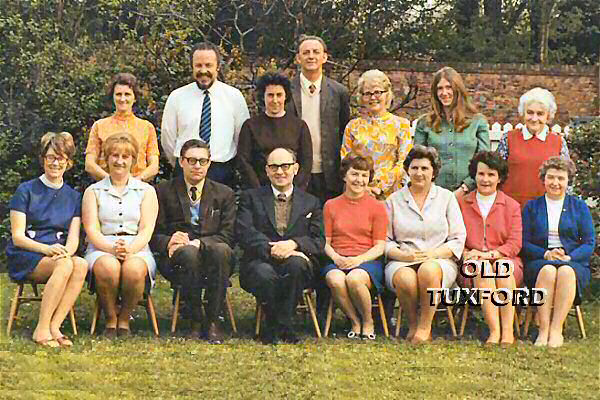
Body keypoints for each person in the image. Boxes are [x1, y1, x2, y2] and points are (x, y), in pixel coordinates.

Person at [6, 132, 87, 347]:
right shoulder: (25, 190)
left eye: (61, 158)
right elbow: (18, 237)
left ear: (68, 163)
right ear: (43, 159)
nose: (55, 162)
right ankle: (41, 330)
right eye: (51, 157)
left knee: (80, 264)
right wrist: (47, 249)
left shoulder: (74, 197)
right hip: (28, 253)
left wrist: (66, 252)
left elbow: (73, 239)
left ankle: (55, 326)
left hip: (58, 254)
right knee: (64, 264)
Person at [150, 140, 235, 343]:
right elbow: (153, 233)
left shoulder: (224, 193)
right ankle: (194, 321)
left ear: (209, 163)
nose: (197, 166)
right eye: (192, 160)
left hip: (215, 257)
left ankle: (213, 321)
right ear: (181, 162)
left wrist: (200, 243)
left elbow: (228, 234)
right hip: (177, 259)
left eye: (202, 161)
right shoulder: (163, 191)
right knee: (188, 254)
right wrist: (170, 240)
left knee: (220, 250)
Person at [237, 147, 324, 344]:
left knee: (297, 266)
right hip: (259, 259)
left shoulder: (311, 202)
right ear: (266, 171)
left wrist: (293, 245)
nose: (280, 171)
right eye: (274, 167)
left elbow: (318, 240)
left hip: (296, 261)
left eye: (285, 166)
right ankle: (282, 326)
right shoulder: (251, 197)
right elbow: (245, 232)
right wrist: (273, 250)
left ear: (296, 169)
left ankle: (276, 326)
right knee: (264, 274)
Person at [384, 145, 466, 344]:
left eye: (424, 168)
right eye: (415, 168)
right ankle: (412, 324)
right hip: (402, 259)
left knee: (428, 271)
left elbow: (458, 238)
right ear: (407, 170)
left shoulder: (446, 198)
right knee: (405, 278)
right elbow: (384, 240)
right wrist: (401, 255)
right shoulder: (394, 200)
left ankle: (424, 326)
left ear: (434, 172)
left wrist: (434, 254)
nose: (419, 173)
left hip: (439, 261)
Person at [82, 132, 158, 337]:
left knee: (134, 269)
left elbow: (147, 229)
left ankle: (124, 318)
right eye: (114, 156)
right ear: (106, 159)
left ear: (133, 160)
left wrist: (131, 249)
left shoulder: (146, 191)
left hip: (137, 245)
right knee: (107, 266)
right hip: (101, 245)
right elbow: (91, 229)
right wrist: (111, 249)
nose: (119, 161)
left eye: (125, 157)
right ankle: (110, 318)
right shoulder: (93, 191)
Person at [522, 157, 595, 348]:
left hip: (573, 263)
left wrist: (569, 257)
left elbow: (589, 243)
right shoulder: (532, 207)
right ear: (543, 179)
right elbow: (523, 242)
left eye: (560, 178)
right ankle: (543, 329)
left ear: (568, 181)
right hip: (539, 261)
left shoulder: (579, 207)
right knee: (547, 270)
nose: (555, 183)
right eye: (551, 178)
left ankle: (556, 329)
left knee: (565, 271)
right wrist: (545, 254)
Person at [457, 151, 522, 346]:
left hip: (505, 261)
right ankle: (494, 332)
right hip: (472, 265)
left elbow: (515, 242)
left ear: (499, 177)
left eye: (491, 174)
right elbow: (454, 237)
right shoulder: (461, 203)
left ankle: (508, 332)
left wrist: (490, 254)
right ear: (474, 175)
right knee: (482, 269)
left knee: (502, 268)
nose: (485, 179)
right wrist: (466, 254)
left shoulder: (511, 205)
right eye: (481, 174)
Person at [161, 41, 250, 185]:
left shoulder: (234, 97)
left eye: (208, 65)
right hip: (185, 169)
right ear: (192, 67)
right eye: (198, 65)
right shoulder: (177, 97)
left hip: (221, 171)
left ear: (218, 67)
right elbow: (168, 137)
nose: (203, 70)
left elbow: (242, 137)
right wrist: (184, 162)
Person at [323, 154, 388, 339]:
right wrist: (336, 258)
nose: (359, 180)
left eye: (364, 175)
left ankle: (368, 320)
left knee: (354, 279)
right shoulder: (330, 205)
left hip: (367, 260)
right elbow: (325, 242)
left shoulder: (377, 207)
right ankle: (354, 320)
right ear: (344, 176)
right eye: (354, 174)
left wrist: (358, 260)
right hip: (338, 259)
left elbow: (380, 246)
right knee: (335, 279)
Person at [286, 34, 351, 203]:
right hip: (296, 172)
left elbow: (344, 130)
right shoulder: (285, 91)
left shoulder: (339, 92)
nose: (311, 56)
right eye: (306, 52)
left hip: (329, 173)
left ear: (325, 57)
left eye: (316, 52)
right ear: (298, 58)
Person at [414, 66, 489, 197]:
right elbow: (418, 161)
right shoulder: (424, 123)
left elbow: (484, 161)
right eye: (440, 88)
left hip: (470, 194)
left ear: (458, 89)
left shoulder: (477, 122)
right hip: (433, 194)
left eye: (449, 87)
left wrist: (465, 187)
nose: (444, 92)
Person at [340, 69, 413, 199]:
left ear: (387, 94)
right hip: (358, 191)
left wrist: (380, 187)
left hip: (392, 195)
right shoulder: (352, 127)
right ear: (361, 97)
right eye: (367, 93)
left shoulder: (402, 125)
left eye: (378, 92)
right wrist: (364, 187)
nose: (373, 97)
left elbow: (404, 161)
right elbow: (345, 162)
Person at [497, 87, 570, 209]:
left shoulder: (558, 142)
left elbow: (567, 179)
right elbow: (496, 174)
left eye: (540, 114)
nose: (534, 118)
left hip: (545, 210)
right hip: (511, 208)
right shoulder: (508, 139)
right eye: (530, 112)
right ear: (523, 113)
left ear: (548, 116)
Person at [237, 72, 313, 190]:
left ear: (286, 96)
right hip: (260, 191)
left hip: (292, 192)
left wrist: (294, 190)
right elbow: (243, 161)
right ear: (263, 97)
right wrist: (258, 191)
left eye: (279, 95)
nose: (275, 100)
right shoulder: (250, 126)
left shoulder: (299, 126)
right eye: (270, 95)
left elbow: (306, 162)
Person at [85, 72, 160, 182]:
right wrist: (111, 181)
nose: (123, 99)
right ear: (113, 97)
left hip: (138, 189)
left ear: (134, 98)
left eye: (127, 94)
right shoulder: (99, 126)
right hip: (105, 188)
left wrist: (134, 183)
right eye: (119, 94)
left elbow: (154, 166)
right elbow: (89, 163)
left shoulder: (147, 127)